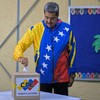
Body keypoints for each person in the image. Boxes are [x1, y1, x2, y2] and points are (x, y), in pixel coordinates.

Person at [13, 2, 77, 96]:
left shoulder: (67, 29)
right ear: (44, 14)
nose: (49, 21)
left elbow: (73, 52)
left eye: (52, 18)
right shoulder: (35, 29)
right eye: (46, 17)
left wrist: (72, 74)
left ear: (57, 16)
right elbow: (20, 45)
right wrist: (20, 56)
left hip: (62, 78)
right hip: (42, 77)